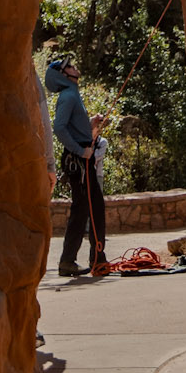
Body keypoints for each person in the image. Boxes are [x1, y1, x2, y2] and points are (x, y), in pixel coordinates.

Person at [44, 53, 108, 279]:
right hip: (80, 162)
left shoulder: (71, 95)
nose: (73, 67)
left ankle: (69, 261)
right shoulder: (69, 96)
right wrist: (81, 151)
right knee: (95, 208)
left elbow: (69, 128)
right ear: (63, 75)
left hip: (80, 160)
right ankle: (97, 260)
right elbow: (60, 128)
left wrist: (90, 126)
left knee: (81, 210)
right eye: (69, 66)